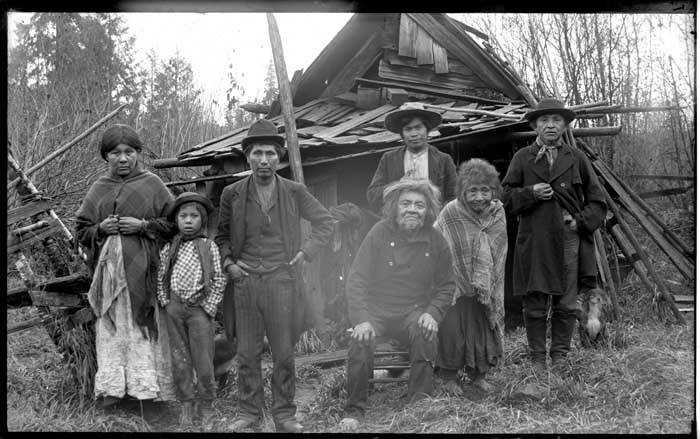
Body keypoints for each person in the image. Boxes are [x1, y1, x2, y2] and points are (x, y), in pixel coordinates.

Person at [215, 119, 334, 433]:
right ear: (247, 157)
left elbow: (325, 222)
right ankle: (248, 413)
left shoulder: (294, 191)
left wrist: (305, 252)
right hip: (245, 282)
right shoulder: (232, 193)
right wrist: (230, 265)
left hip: (282, 280)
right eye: (257, 153)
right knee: (247, 353)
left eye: (270, 153)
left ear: (279, 157)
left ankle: (284, 415)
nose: (264, 160)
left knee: (283, 352)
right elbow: (222, 236)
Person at [339, 179, 455, 432]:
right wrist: (361, 319)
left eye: (419, 205)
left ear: (428, 211)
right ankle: (354, 410)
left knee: (426, 332)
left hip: (413, 310)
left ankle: (419, 405)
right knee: (360, 340)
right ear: (394, 207)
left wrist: (432, 313)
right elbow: (356, 280)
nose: (412, 209)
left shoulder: (436, 239)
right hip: (376, 311)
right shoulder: (378, 232)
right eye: (406, 204)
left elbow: (447, 285)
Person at [501, 98, 606, 371]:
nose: (550, 125)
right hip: (534, 240)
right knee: (535, 300)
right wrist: (530, 193)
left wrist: (580, 222)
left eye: (556, 120)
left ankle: (560, 356)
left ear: (565, 125)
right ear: (535, 125)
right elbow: (506, 198)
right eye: (544, 120)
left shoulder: (576, 158)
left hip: (568, 241)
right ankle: (537, 358)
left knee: (566, 302)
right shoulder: (522, 158)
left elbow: (597, 201)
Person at [76, 124, 176, 405]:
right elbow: (81, 229)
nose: (123, 158)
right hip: (110, 275)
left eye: (129, 152)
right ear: (105, 157)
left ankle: (146, 393)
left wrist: (143, 225)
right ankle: (114, 392)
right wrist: (102, 228)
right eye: (115, 153)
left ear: (138, 154)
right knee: (114, 326)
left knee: (143, 326)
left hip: (145, 271)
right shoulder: (99, 187)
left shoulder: (153, 184)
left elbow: (174, 223)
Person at [434, 159, 507, 396]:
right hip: (455, 286)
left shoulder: (497, 212)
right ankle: (448, 377)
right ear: (462, 191)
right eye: (472, 191)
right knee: (452, 330)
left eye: (485, 190)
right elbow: (439, 242)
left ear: (493, 191)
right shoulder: (451, 212)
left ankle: (479, 376)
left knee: (483, 328)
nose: (478, 197)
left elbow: (499, 247)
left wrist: (487, 281)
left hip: (484, 288)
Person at [157, 192, 226, 430]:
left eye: (194, 216)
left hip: (199, 311)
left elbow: (218, 279)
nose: (188, 221)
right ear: (176, 220)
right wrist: (166, 302)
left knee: (203, 360)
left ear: (202, 220)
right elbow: (161, 278)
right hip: (174, 310)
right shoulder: (169, 248)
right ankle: (186, 404)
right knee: (180, 359)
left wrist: (209, 307)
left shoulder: (209, 247)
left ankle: (206, 405)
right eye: (183, 216)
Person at [366, 102, 457, 212]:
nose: (414, 134)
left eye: (418, 127)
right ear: (402, 133)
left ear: (427, 130)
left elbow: (455, 197)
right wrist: (398, 186)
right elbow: (372, 195)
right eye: (408, 129)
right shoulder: (389, 158)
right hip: (399, 222)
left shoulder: (443, 160)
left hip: (433, 222)